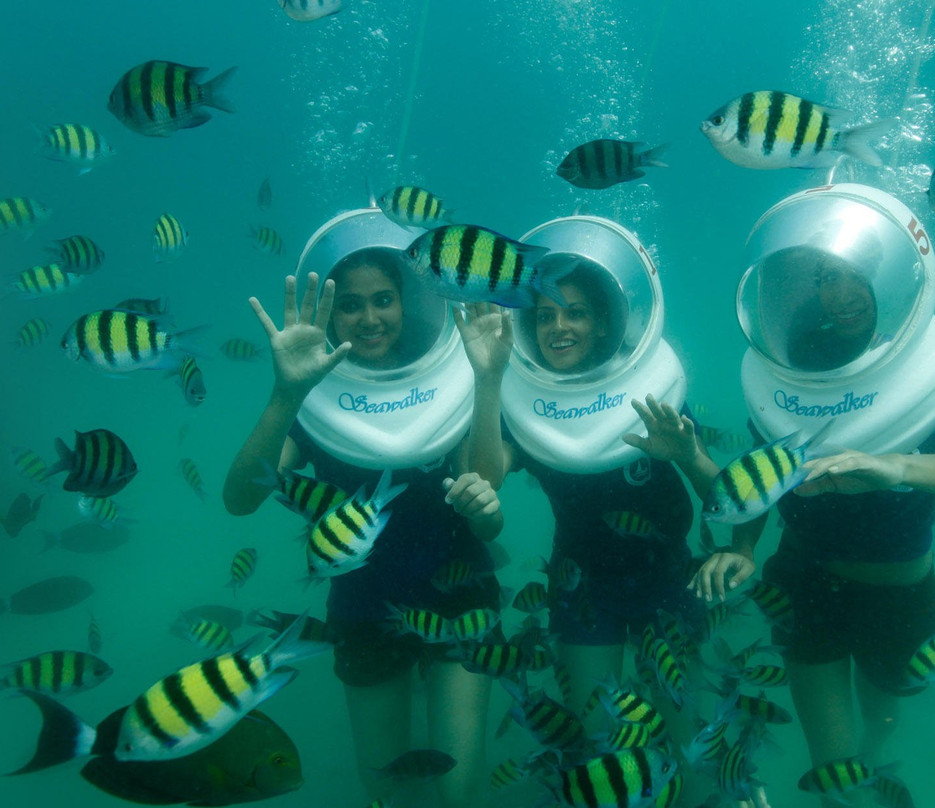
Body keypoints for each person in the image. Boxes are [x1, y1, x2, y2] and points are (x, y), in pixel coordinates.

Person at [670, 184, 935, 806]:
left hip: (900, 596)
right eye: (826, 277)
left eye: (856, 275)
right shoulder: (793, 373)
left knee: (877, 738)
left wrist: (893, 466)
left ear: (885, 276)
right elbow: (763, 481)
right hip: (804, 584)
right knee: (834, 770)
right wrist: (745, 547)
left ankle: (879, 767)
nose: (842, 294)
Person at [222, 210, 504, 808]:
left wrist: (487, 380)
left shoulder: (450, 378)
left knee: (457, 788)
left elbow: (488, 496)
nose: (370, 318)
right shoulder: (314, 398)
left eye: (383, 300)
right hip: (361, 605)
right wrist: (286, 392)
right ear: (330, 314)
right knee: (385, 788)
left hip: (461, 595)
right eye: (350, 304)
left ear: (407, 303)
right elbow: (240, 498)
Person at [458, 215, 713, 797]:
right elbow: (484, 478)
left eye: (574, 313)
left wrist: (691, 456)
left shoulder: (649, 383)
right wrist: (490, 377)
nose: (558, 326)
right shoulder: (527, 401)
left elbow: (723, 495)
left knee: (688, 736)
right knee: (599, 741)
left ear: (601, 324)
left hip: (667, 576)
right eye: (544, 315)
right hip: (582, 582)